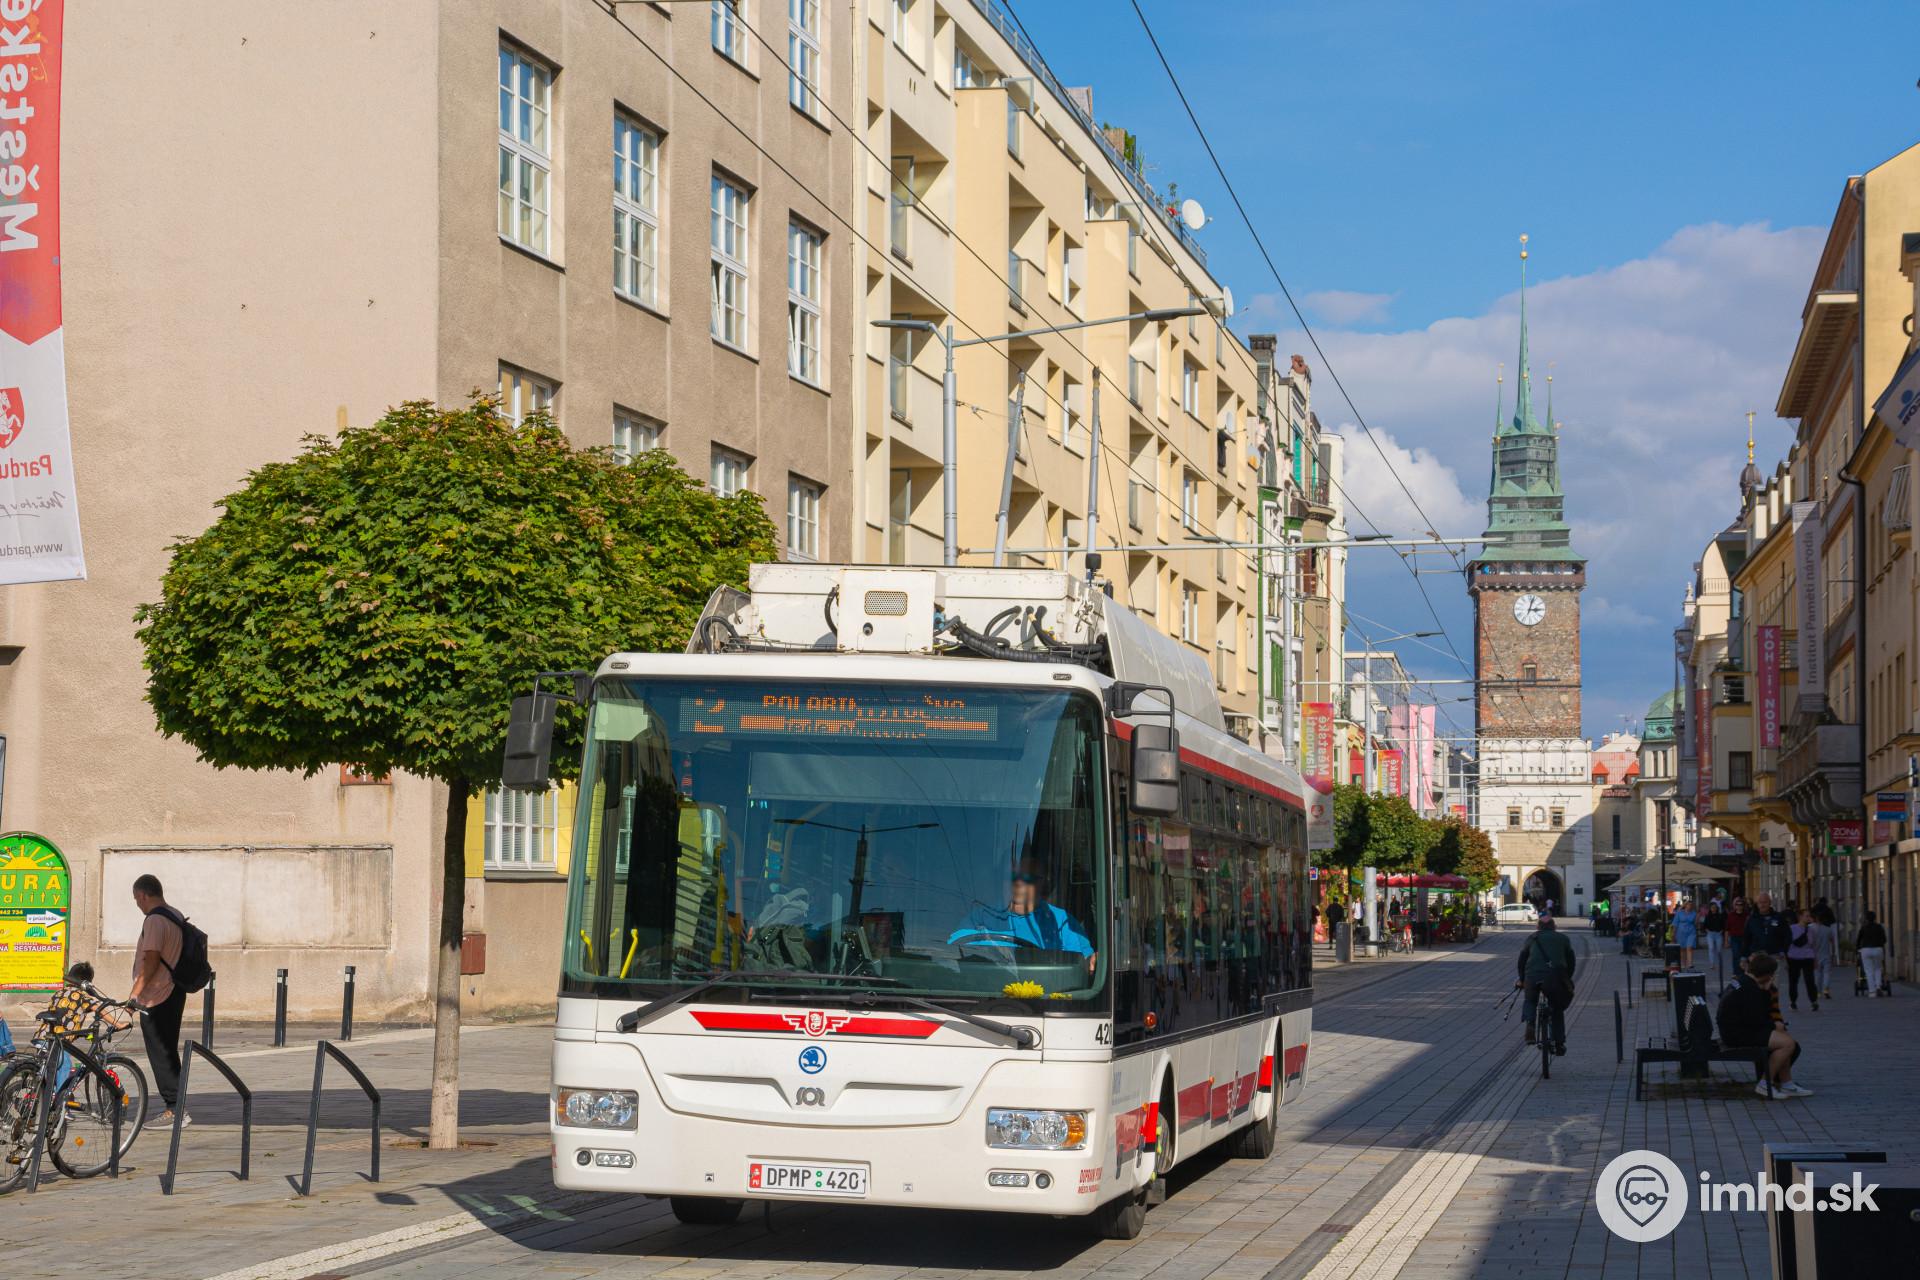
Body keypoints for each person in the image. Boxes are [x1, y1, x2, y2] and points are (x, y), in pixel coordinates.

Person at [130, 874, 191, 1128]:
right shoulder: (175, 914)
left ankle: (174, 1109)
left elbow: (152, 960)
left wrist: (135, 993)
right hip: (175, 990)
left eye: (137, 899)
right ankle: (177, 1104)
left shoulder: (155, 920)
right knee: (168, 1051)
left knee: (160, 1054)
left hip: (156, 995)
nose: (137, 904)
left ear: (144, 895)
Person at [949, 859, 1092, 957]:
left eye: (1028, 878)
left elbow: (1082, 964)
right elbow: (954, 950)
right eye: (1012, 876)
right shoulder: (980, 917)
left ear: (1043, 883)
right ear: (1001, 880)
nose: (1018, 883)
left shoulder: (1061, 922)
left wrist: (1091, 960)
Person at [1716, 952, 1811, 1098]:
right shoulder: (1750, 989)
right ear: (1768, 974)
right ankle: (1765, 1084)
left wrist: (1766, 990)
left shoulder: (1743, 981)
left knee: (1784, 1039)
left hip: (1734, 1030)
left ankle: (1786, 1084)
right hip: (1737, 1034)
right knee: (1787, 1044)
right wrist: (1774, 1025)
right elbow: (1756, 1018)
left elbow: (1754, 1016)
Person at [1513, 913, 1577, 1055]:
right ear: (1554, 926)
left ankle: (1530, 1023)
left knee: (1530, 1000)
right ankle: (1559, 1043)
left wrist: (1522, 979)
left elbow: (1522, 960)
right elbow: (1571, 961)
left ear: (1538, 927)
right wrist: (1567, 978)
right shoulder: (1563, 938)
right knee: (1557, 1007)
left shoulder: (1532, 938)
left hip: (1533, 976)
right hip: (1555, 978)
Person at [1785, 908, 1819, 1012]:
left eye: (1809, 916)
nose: (1809, 918)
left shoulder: (1811, 930)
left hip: (1808, 958)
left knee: (1810, 980)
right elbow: (1786, 944)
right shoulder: (1792, 928)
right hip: (1794, 958)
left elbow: (1813, 946)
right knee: (1793, 981)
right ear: (1800, 917)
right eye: (1806, 916)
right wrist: (1786, 960)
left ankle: (1814, 1002)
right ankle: (1793, 1002)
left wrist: (1815, 959)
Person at [1743, 892, 1791, 960]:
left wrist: (1783, 951)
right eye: (1760, 902)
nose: (1762, 905)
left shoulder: (1779, 917)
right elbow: (1746, 939)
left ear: (1770, 903)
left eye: (1765, 902)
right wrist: (1744, 957)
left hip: (1776, 955)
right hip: (1756, 956)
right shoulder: (1751, 919)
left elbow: (1788, 935)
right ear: (1757, 904)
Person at [1856, 910, 1888, 996]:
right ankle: (1878, 986)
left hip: (1866, 950)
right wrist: (1879, 943)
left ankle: (1872, 991)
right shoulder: (1879, 927)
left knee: (1868, 971)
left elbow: (1858, 940)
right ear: (1875, 918)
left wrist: (1858, 949)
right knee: (1878, 968)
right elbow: (1884, 939)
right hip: (1878, 949)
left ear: (1866, 919)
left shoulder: (1863, 928)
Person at [1810, 908, 1836, 1001]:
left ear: (1815, 918)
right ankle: (1826, 989)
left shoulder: (1810, 928)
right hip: (1826, 954)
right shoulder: (1828, 930)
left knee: (1817, 974)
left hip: (1815, 955)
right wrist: (1833, 954)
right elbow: (1832, 942)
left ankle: (1818, 992)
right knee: (1827, 973)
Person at [1701, 896, 1727, 972]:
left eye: (1715, 907)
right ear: (1710, 908)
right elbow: (1704, 925)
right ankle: (1712, 964)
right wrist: (1707, 931)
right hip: (1710, 934)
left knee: (1719, 950)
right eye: (1712, 907)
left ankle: (1719, 963)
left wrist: (1721, 931)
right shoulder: (1708, 916)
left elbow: (1724, 925)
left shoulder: (1720, 916)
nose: (1714, 909)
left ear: (1717, 908)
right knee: (1711, 948)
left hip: (1718, 934)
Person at [1725, 896, 1751, 970]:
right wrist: (1726, 941)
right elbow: (1727, 929)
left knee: (1744, 955)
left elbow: (1750, 927)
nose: (1739, 906)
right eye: (1737, 905)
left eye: (1741, 905)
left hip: (1744, 938)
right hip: (1734, 938)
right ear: (1735, 906)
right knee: (1736, 955)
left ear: (1743, 906)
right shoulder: (1731, 915)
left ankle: (1745, 970)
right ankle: (1736, 972)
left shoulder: (1747, 915)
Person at [1672, 898, 1698, 969]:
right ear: (1685, 905)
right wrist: (1673, 934)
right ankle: (1683, 963)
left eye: (1691, 905)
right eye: (1688, 905)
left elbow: (1695, 924)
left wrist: (1697, 919)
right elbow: (1675, 924)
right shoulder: (1679, 913)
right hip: (1680, 932)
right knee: (1682, 949)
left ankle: (1690, 964)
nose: (1690, 906)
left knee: (1689, 947)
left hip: (1691, 931)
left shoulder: (1694, 913)